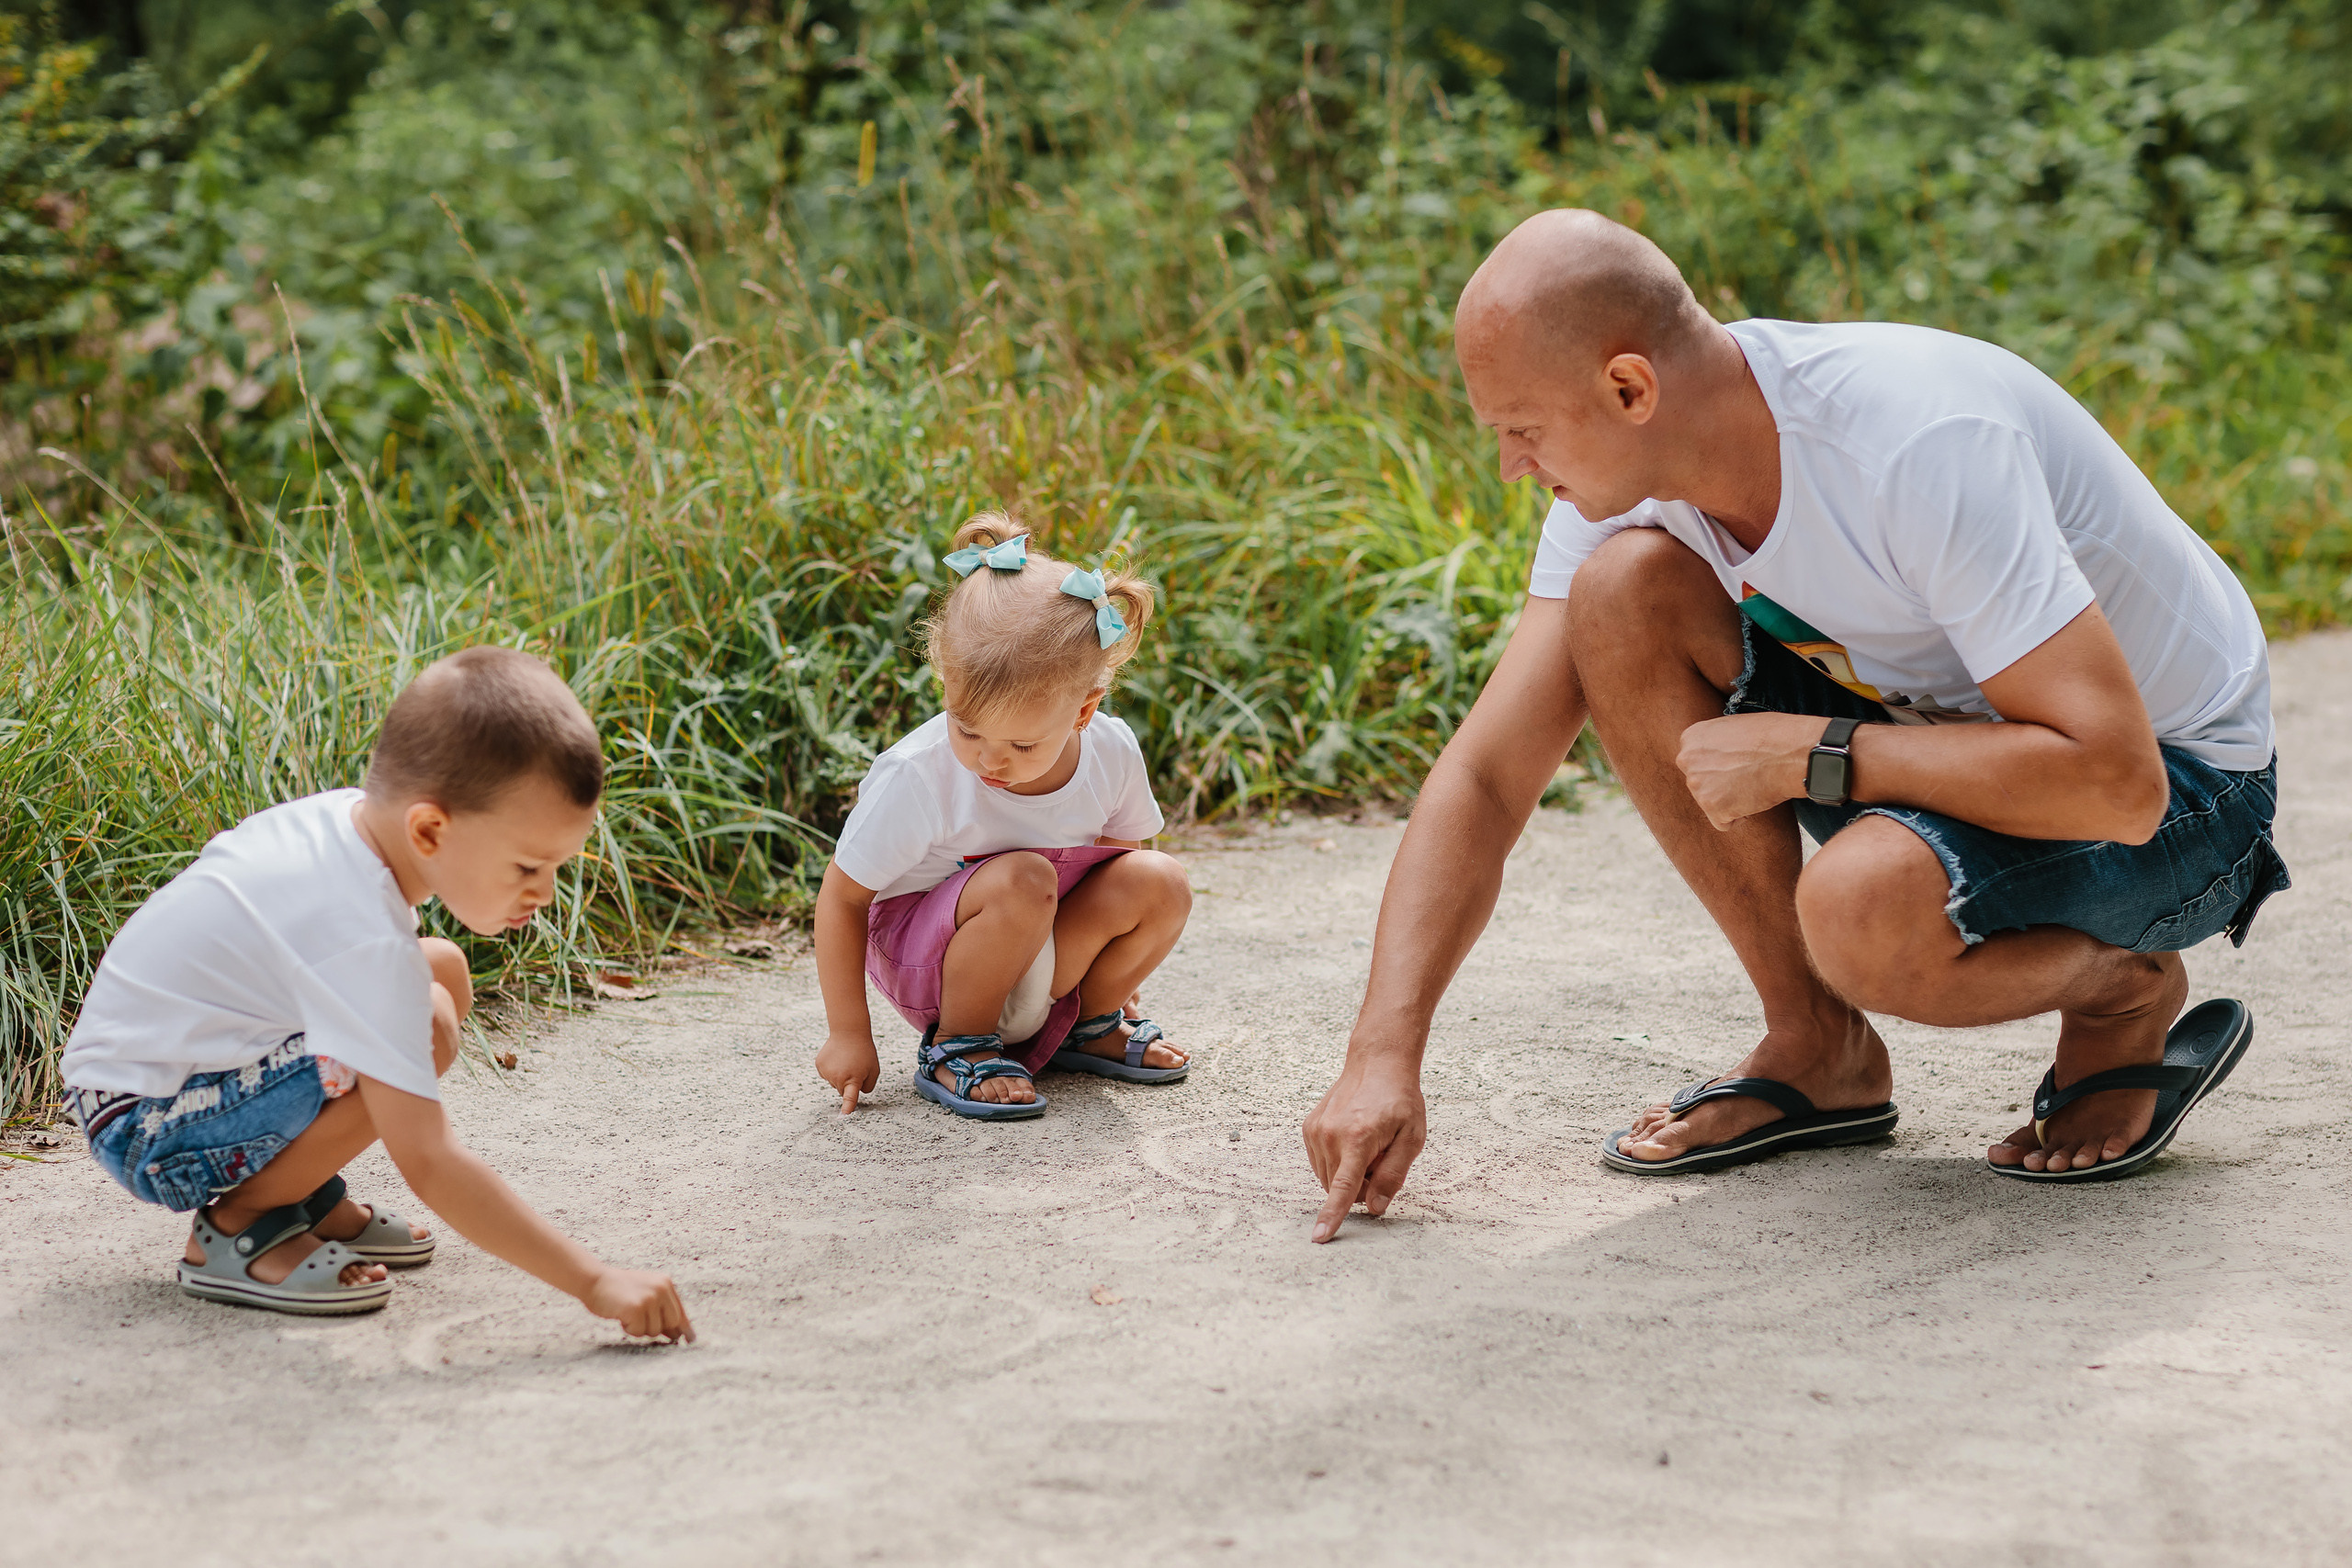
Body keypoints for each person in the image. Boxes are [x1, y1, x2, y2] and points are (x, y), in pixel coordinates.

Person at [1302, 209, 2287, 1239]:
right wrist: (1380, 1054)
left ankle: (2121, 994)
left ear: (1629, 388)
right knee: (1621, 595)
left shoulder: (1914, 441)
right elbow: (1488, 778)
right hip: (1954, 732)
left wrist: (1819, 756)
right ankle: (1819, 1046)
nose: (1510, 464)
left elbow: (2115, 784)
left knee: (1861, 908)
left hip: (2179, 792)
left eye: (1521, 428)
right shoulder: (1623, 495)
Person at [62, 646, 695, 1336]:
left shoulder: (351, 827)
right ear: (429, 828)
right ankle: (241, 1223)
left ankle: (300, 1192)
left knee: (442, 968)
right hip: (150, 1126)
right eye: (528, 865)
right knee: (427, 1023)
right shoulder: (359, 930)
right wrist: (595, 1280)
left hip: (161, 1078)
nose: (543, 893)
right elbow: (429, 1158)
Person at [814, 513, 1193, 1121]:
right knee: (1025, 877)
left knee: (1161, 879)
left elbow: (1120, 868)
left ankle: (1087, 1024)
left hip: (1039, 943)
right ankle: (956, 1046)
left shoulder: (1113, 751)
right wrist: (847, 1031)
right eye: (967, 729)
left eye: (1021, 745)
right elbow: (842, 897)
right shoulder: (920, 774)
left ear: (1083, 712)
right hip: (937, 963)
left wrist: (1112, 978)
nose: (989, 760)